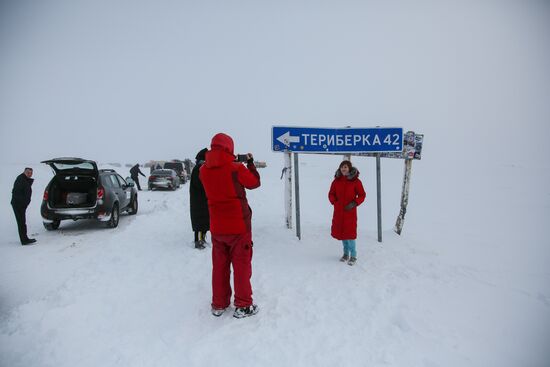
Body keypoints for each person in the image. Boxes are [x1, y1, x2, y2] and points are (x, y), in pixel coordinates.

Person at [200, 133, 261, 318]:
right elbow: (254, 183)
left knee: (219, 266)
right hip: (239, 226)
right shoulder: (236, 168)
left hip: (217, 227)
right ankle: (243, 305)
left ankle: (219, 303)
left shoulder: (203, 170)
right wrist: (249, 163)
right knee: (241, 266)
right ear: (230, 148)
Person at [328, 160, 366, 266]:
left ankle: (353, 255)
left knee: (350, 235)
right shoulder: (336, 181)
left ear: (349, 168)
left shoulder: (356, 181)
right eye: (342, 167)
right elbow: (331, 193)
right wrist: (334, 202)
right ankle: (345, 254)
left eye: (345, 167)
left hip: (350, 212)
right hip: (338, 212)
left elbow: (362, 195)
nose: (343, 169)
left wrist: (355, 203)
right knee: (342, 233)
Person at [189, 148, 209, 250]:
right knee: (200, 221)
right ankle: (198, 241)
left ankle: (201, 239)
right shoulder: (199, 168)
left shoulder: (199, 167)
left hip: (200, 198)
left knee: (202, 220)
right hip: (199, 199)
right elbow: (200, 184)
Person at [11, 167, 36, 245]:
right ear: (24, 172)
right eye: (28, 172)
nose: (30, 174)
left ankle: (25, 239)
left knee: (22, 222)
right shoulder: (20, 180)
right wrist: (23, 203)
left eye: (31, 173)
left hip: (20, 204)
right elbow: (16, 193)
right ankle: (24, 240)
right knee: (21, 222)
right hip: (18, 204)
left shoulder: (24, 179)